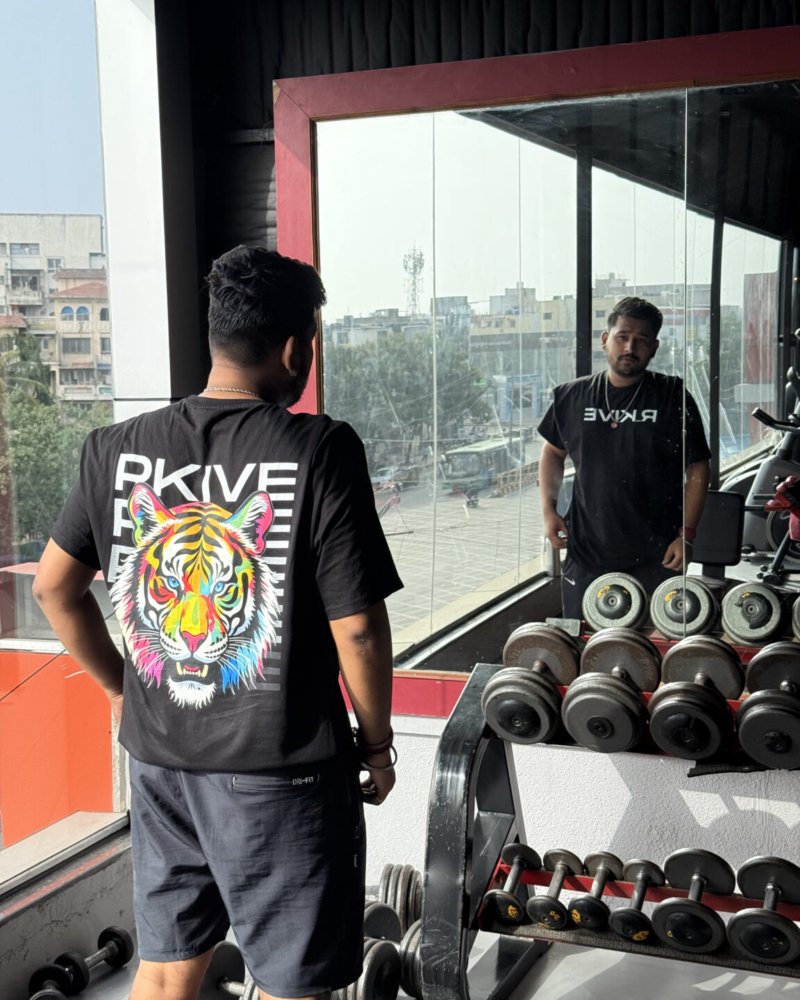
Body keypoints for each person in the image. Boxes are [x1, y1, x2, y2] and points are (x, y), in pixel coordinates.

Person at [32, 246, 403, 1000]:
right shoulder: (319, 449)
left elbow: (53, 590)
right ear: (297, 347)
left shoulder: (114, 447)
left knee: (167, 969)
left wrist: (119, 689)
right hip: (282, 767)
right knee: (293, 982)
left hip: (160, 760)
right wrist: (377, 740)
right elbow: (357, 629)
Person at [537, 296, 711, 619]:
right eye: (622, 337)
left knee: (648, 652)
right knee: (584, 649)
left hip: (657, 557)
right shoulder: (572, 397)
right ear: (605, 340)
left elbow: (698, 467)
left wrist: (686, 533)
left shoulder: (673, 396)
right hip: (586, 554)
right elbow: (552, 452)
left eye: (641, 340)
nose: (630, 347)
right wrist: (549, 510)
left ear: (654, 348)